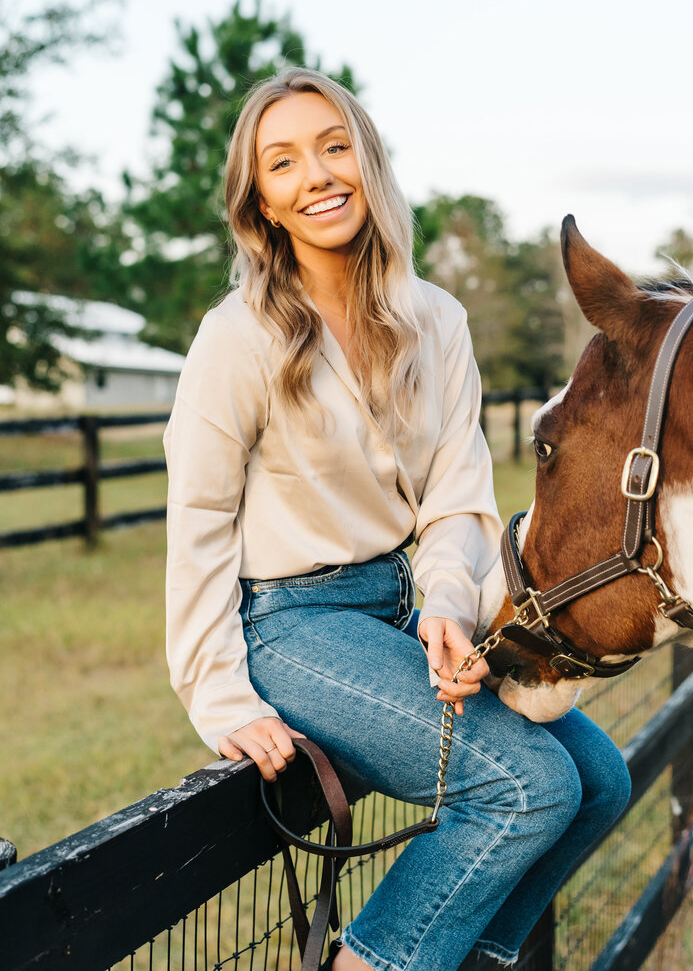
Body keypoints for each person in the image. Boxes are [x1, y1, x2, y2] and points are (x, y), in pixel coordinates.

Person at [164, 67, 631, 971]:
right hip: (290, 622)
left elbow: (458, 498)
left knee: (600, 783)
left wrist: (449, 606)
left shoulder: (437, 322)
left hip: (406, 608)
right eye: (284, 162)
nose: (319, 175)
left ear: (369, 161)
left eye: (335, 146)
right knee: (528, 787)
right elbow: (197, 520)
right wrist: (216, 691)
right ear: (261, 200)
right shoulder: (240, 336)